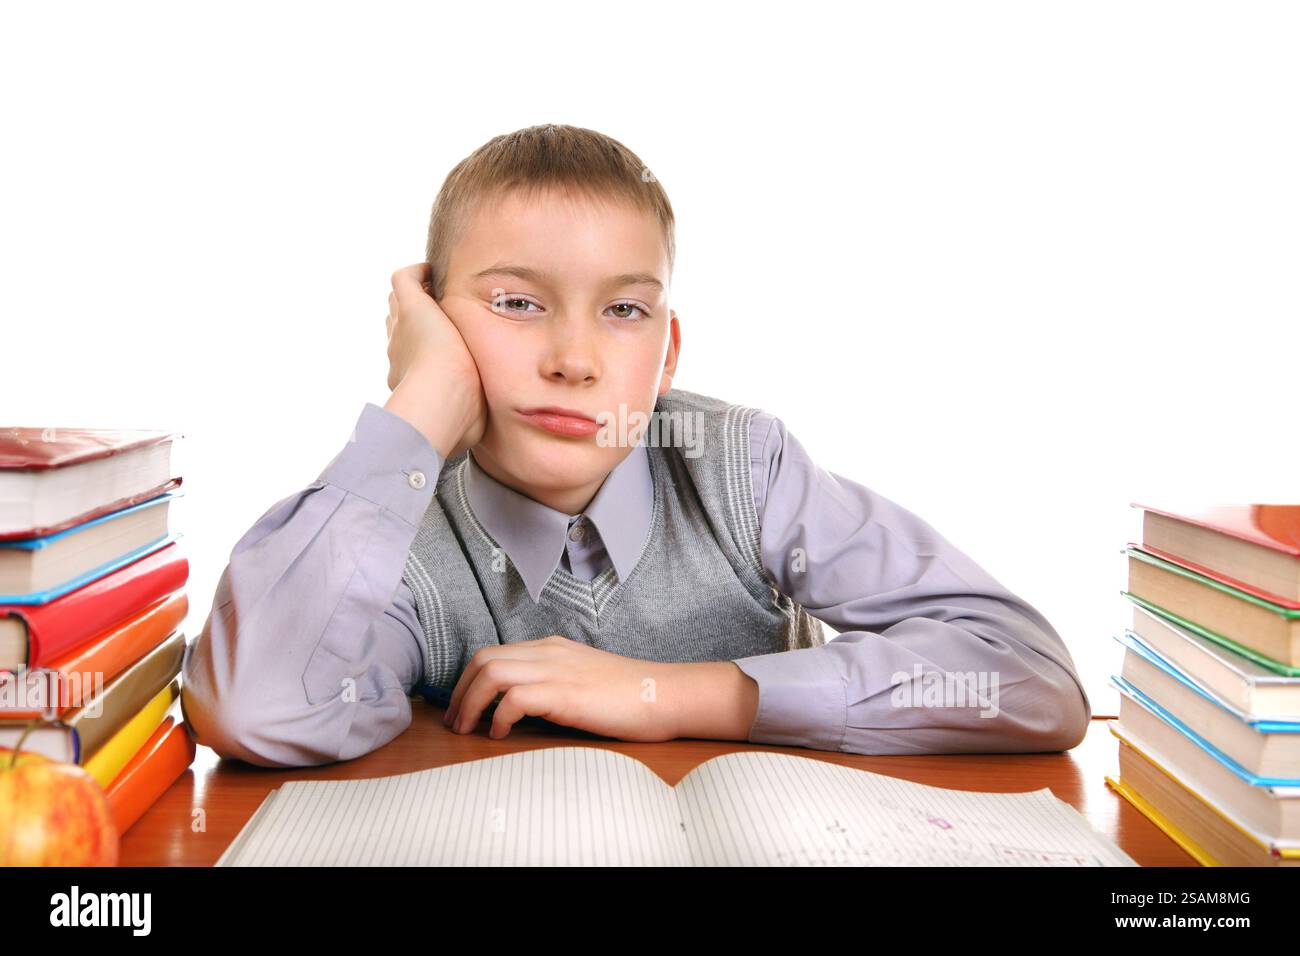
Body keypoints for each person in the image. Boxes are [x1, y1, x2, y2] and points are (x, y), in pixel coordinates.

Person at [180, 123, 1091, 768]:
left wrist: (672, 693)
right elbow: (255, 704)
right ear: (430, 327)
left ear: (666, 355)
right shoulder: (401, 543)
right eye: (515, 302)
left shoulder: (742, 468)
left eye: (623, 311)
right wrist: (418, 406)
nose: (574, 360)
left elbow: (1031, 681)